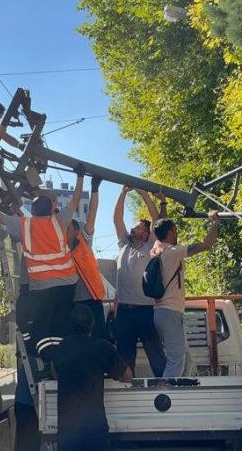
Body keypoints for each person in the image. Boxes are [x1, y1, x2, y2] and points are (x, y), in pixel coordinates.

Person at [0, 167, 85, 365]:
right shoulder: (59, 221)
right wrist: (80, 176)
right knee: (60, 323)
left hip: (41, 287)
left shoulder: (25, 224)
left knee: (38, 323)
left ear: (33, 211)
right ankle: (61, 357)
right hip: (67, 284)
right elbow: (75, 200)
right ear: (50, 209)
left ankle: (43, 355)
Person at [150, 211, 220, 377]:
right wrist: (214, 223)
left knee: (186, 359)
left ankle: (184, 388)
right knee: (176, 359)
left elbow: (159, 227)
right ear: (170, 233)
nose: (178, 233)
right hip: (170, 312)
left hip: (161, 312)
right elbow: (206, 245)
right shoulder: (173, 252)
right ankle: (166, 390)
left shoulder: (156, 250)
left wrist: (163, 206)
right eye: (176, 230)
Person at [53, 305, 132, 451]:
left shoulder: (62, 347)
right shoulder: (102, 347)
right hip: (94, 426)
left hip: (67, 429)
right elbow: (127, 375)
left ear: (71, 324)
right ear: (92, 324)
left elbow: (55, 371)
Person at [111, 186, 167, 377]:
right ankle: (128, 388)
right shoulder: (124, 244)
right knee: (125, 356)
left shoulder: (150, 245)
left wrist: (144, 194)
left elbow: (156, 219)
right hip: (124, 310)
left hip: (146, 310)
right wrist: (123, 193)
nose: (132, 229)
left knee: (156, 354)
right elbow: (117, 219)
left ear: (146, 233)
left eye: (137, 227)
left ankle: (164, 384)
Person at [68, 176, 107, 339]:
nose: (64, 231)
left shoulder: (84, 240)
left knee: (98, 337)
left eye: (68, 228)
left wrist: (94, 189)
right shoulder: (59, 247)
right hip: (71, 302)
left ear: (76, 231)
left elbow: (92, 213)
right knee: (75, 340)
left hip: (91, 299)